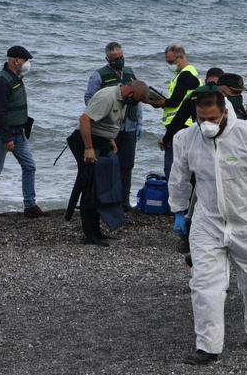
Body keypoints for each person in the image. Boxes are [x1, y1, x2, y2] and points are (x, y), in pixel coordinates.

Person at [168, 90, 247, 365]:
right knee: (204, 284)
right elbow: (179, 178)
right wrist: (178, 211)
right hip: (207, 221)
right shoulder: (186, 140)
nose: (207, 123)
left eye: (212, 117)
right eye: (201, 119)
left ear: (224, 111)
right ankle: (208, 347)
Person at [70, 79, 151, 246]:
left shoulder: (125, 100)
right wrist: (89, 148)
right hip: (85, 141)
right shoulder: (107, 97)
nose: (136, 104)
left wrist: (110, 140)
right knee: (89, 186)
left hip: (102, 141)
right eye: (136, 100)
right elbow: (84, 120)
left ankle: (97, 232)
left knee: (100, 187)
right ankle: (89, 235)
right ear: (130, 93)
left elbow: (109, 124)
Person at [0, 45, 45, 222]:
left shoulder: (16, 77)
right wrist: (7, 137)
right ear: (16, 60)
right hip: (4, 133)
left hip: (19, 131)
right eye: (26, 60)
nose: (28, 64)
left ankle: (30, 205)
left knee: (29, 166)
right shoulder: (1, 81)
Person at [84, 42, 143, 211]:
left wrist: (140, 122)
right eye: (116, 58)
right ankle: (105, 200)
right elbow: (90, 99)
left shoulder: (130, 73)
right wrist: (104, 114)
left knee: (127, 165)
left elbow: (137, 98)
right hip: (109, 128)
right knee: (108, 164)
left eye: (121, 57)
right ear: (107, 59)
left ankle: (124, 201)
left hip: (130, 126)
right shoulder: (99, 75)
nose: (120, 60)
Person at [149, 44, 201, 177]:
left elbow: (175, 101)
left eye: (171, 61)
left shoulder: (186, 75)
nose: (169, 64)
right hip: (186, 125)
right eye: (167, 61)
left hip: (181, 126)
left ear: (181, 57)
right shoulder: (190, 74)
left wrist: (156, 102)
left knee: (173, 170)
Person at [161, 72, 247, 148]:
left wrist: (166, 139)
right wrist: (166, 139)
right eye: (234, 91)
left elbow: (178, 120)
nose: (238, 95)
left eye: (240, 92)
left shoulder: (195, 94)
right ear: (221, 88)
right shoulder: (196, 96)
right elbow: (179, 119)